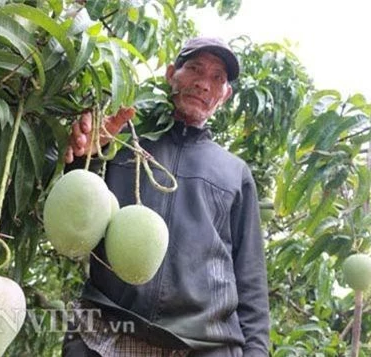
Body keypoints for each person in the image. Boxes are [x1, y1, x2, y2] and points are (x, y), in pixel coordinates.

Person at [61, 36, 269, 357]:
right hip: (106, 333)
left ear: (224, 96)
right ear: (172, 73)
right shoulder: (121, 141)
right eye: (195, 69)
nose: (203, 84)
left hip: (204, 344)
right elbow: (77, 210)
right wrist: (87, 154)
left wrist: (256, 351)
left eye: (217, 78)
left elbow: (250, 277)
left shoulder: (234, 172)